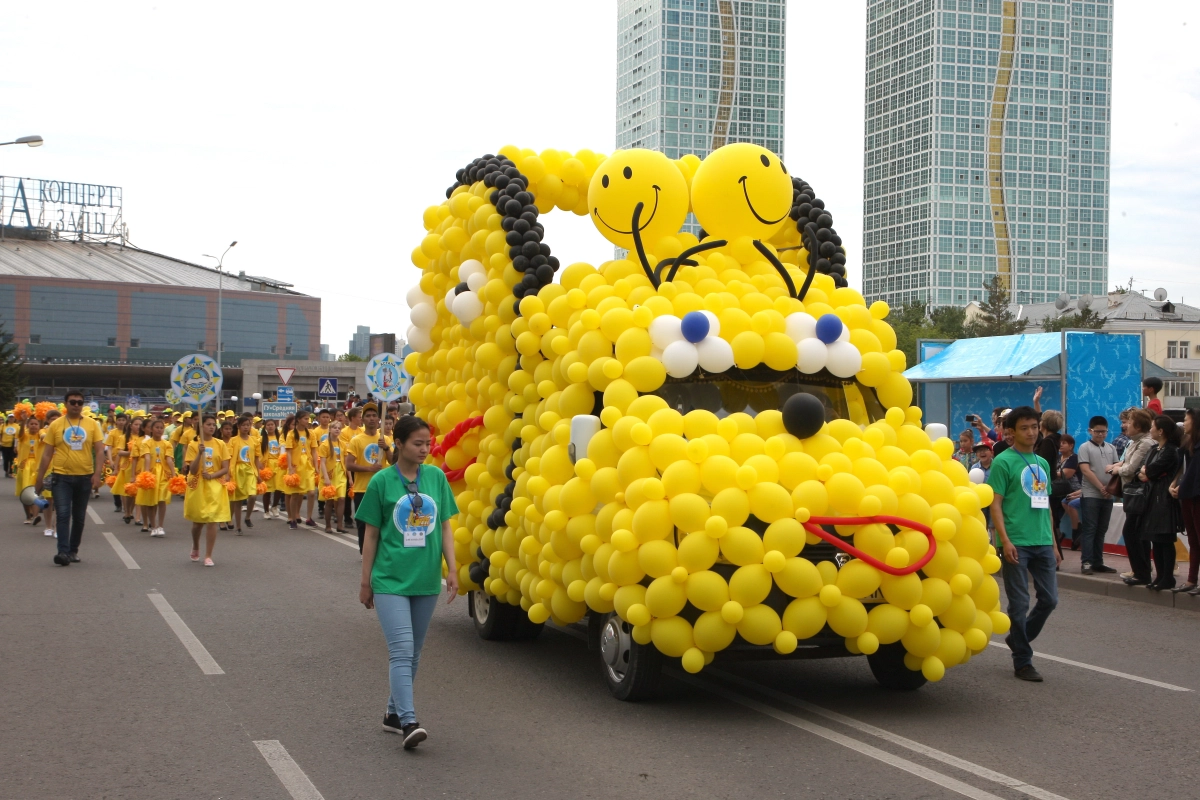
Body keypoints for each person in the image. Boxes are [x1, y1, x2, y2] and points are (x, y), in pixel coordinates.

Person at [356, 415, 458, 749]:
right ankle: (409, 721)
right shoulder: (382, 482)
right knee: (401, 651)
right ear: (398, 444)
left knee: (413, 653)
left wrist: (452, 570)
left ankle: (391, 713)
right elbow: (370, 535)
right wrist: (365, 581)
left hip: (425, 579)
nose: (425, 449)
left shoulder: (436, 478)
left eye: (428, 443)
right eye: (417, 443)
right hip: (389, 580)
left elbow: (444, 526)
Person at [986, 406, 1058, 682]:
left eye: (1034, 427)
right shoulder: (1004, 461)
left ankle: (1018, 637)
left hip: (1042, 541)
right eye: (1025, 428)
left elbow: (1047, 505)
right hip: (1016, 541)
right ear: (1011, 433)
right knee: (1019, 603)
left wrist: (1053, 543)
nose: (1031, 432)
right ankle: (1023, 661)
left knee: (1050, 599)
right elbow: (996, 504)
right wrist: (1004, 540)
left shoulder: (1042, 463)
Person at [34, 390, 105, 566]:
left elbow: (99, 450)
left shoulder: (92, 424)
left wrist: (97, 474)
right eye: (72, 402)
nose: (76, 405)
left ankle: (73, 550)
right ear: (65, 404)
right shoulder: (56, 425)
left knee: (79, 517)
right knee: (64, 514)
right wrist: (39, 477)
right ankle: (63, 552)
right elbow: (46, 454)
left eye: (80, 403)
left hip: (84, 477)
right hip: (61, 477)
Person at [1137, 415, 1183, 590]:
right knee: (1154, 539)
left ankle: (1167, 577)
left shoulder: (1171, 450)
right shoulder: (1154, 449)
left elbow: (1150, 471)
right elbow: (1142, 471)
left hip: (1164, 498)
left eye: (1153, 427)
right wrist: (1147, 472)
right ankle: (1159, 575)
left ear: (1161, 431)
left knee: (1165, 538)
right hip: (1152, 495)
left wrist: (1147, 473)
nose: (1150, 430)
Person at [1110, 409, 1156, 586]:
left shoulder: (1144, 443)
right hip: (1130, 493)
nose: (1125, 426)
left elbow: (1130, 469)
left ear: (1138, 425)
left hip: (1138, 494)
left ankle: (1142, 572)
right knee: (1137, 533)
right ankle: (1141, 571)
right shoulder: (1133, 442)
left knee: (1132, 532)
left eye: (1128, 422)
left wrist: (1116, 470)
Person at [346, 403, 394, 553]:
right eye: (368, 416)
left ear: (379, 419)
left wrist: (386, 448)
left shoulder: (385, 439)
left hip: (383, 488)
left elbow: (394, 462)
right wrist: (369, 468)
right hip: (363, 488)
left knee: (384, 522)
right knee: (363, 523)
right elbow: (348, 464)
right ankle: (364, 552)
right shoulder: (356, 440)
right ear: (363, 419)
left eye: (374, 415)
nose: (372, 419)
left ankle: (381, 551)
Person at [184, 414, 230, 566]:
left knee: (212, 521)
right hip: (198, 485)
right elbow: (192, 469)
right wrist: (199, 453)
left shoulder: (220, 444)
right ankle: (196, 545)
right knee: (198, 523)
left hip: (215, 485)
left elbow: (225, 468)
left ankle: (208, 555)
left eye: (213, 424)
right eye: (208, 424)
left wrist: (211, 475)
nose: (211, 427)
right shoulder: (193, 444)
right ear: (201, 426)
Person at [1076, 417, 1118, 575]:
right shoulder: (1084, 447)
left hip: (1108, 496)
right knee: (1090, 529)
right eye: (1097, 431)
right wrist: (1101, 487)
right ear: (1090, 431)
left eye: (1104, 432)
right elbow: (1086, 470)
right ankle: (1086, 562)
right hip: (1091, 495)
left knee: (1102, 529)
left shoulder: (1111, 448)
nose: (1101, 434)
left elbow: (1115, 468)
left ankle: (1098, 561)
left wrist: (1109, 489)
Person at [1170, 409, 1200, 595]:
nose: (1184, 422)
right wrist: (1175, 484)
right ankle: (1191, 580)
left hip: (1196, 496)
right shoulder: (1188, 445)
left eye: (1186, 419)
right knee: (1194, 540)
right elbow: (1184, 471)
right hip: (1188, 496)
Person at [136, 419, 175, 537]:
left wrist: (173, 475)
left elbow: (169, 459)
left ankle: (160, 526)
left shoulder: (167, 444)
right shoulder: (146, 443)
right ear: (151, 429)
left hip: (163, 474)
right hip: (151, 473)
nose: (159, 430)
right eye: (157, 427)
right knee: (151, 502)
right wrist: (147, 474)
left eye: (161, 428)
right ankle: (153, 526)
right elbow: (147, 458)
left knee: (162, 500)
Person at [16, 417, 55, 536]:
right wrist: (22, 421)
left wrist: (42, 417)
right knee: (26, 491)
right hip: (25, 466)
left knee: (35, 491)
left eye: (36, 424)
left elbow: (43, 430)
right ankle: (29, 515)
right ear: (28, 425)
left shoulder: (41, 435)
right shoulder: (24, 435)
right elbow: (21, 432)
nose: (34, 426)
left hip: (37, 466)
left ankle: (35, 515)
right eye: (31, 424)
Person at [1035, 409, 1065, 556]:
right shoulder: (1054, 440)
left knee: (1047, 519)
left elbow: (1042, 466)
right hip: (1049, 484)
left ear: (1044, 424)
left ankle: (1053, 553)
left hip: (1042, 486)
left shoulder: (1047, 442)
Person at [284, 410, 317, 529]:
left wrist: (316, 466)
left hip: (308, 466)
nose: (307, 421)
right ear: (298, 419)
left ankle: (308, 518)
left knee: (312, 492)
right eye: (305, 419)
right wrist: (290, 467)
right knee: (295, 494)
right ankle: (292, 518)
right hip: (296, 466)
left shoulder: (311, 433)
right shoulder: (291, 434)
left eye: (308, 419)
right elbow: (288, 451)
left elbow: (313, 450)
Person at [229, 414, 262, 535]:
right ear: (238, 426)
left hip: (250, 469)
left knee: (252, 495)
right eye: (243, 425)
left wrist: (258, 473)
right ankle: (238, 526)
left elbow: (257, 458)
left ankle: (247, 517)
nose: (246, 427)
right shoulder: (233, 441)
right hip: (238, 470)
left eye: (248, 425)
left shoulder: (254, 440)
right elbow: (229, 457)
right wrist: (229, 474)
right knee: (238, 500)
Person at [319, 419, 348, 533]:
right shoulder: (325, 444)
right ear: (330, 429)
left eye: (339, 428)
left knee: (341, 499)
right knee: (330, 501)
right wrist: (326, 477)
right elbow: (322, 462)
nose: (337, 429)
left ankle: (340, 525)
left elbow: (345, 461)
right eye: (335, 427)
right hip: (329, 474)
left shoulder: (342, 444)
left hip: (340, 473)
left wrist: (349, 478)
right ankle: (328, 525)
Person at [1057, 434, 1082, 547]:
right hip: (1061, 489)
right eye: (1060, 442)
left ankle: (1076, 531)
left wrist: (1051, 474)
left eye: (1064, 443)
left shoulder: (1074, 458)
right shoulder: (1058, 457)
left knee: (1069, 502)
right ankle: (1059, 532)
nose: (1061, 445)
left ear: (1071, 446)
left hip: (1076, 489)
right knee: (1060, 502)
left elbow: (1066, 475)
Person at [1, 413, 18, 478]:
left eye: (12, 417)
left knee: (12, 459)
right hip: (4, 445)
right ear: (7, 418)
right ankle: (6, 471)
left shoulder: (17, 426)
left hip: (13, 445)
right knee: (6, 459)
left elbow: (18, 436)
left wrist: (16, 446)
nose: (11, 419)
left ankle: (11, 472)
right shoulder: (3, 426)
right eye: (10, 417)